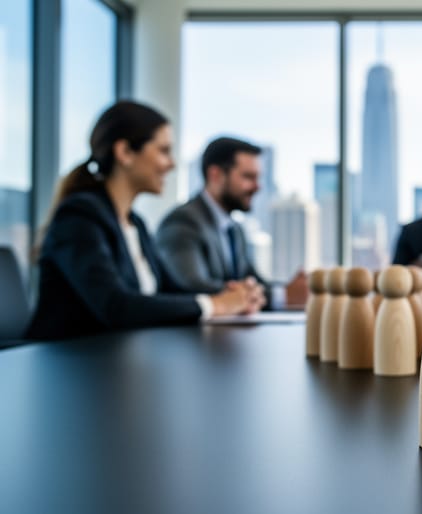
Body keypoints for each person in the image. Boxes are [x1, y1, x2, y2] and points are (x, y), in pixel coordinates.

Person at [26, 101, 263, 340]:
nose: (172, 164)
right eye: (163, 151)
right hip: (70, 358)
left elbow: (173, 291)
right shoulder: (79, 215)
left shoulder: (135, 224)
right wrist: (215, 305)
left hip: (121, 354)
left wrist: (234, 296)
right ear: (125, 152)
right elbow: (115, 306)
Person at [156, 137, 307, 309]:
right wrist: (282, 296)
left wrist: (288, 289)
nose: (257, 187)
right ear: (216, 175)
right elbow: (193, 287)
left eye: (258, 178)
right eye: (248, 177)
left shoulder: (235, 230)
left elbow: (253, 281)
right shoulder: (183, 222)